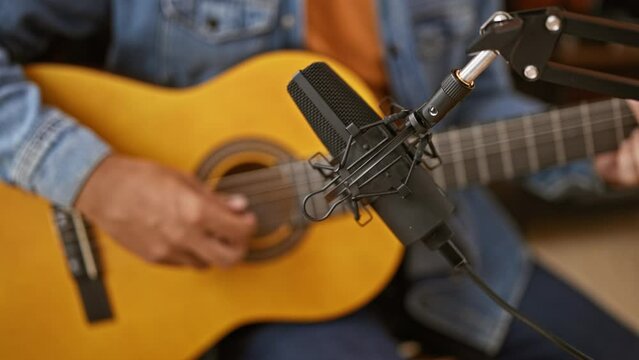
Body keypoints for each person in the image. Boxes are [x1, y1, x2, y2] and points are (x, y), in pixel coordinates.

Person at [1, 1, 638, 359]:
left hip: (448, 241)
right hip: (227, 280)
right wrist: (94, 179)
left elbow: (483, 106)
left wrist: (599, 154)